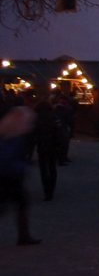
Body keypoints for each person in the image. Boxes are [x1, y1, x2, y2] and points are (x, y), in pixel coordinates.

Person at [0, 105, 41, 246]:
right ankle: (24, 236)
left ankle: (24, 236)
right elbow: (8, 157)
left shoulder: (7, 131)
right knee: (17, 203)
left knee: (18, 202)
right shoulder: (16, 135)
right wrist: (23, 166)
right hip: (9, 175)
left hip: (9, 174)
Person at [32, 99, 62, 201]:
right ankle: (51, 190)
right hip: (53, 145)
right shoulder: (54, 117)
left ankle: (46, 190)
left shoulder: (36, 118)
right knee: (52, 167)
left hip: (42, 145)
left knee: (44, 169)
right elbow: (59, 131)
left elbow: (33, 132)